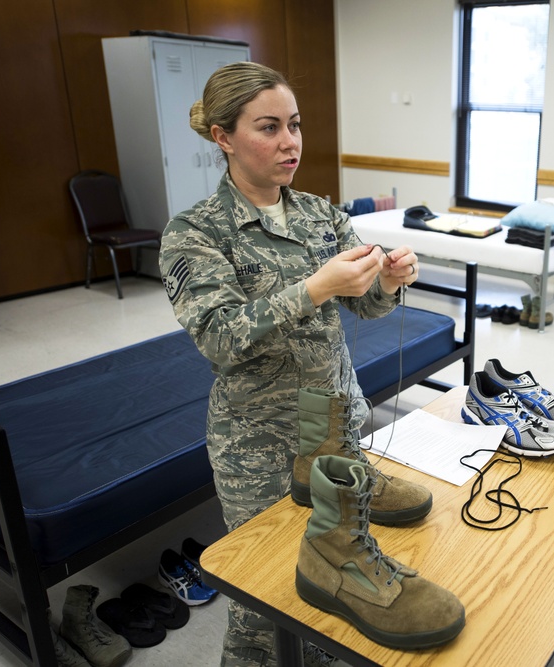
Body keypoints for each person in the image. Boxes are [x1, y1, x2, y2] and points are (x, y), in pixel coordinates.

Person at [159, 61, 420, 666]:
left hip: (334, 423)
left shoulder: (320, 215)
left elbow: (366, 307)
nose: (290, 142)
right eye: (269, 127)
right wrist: (314, 287)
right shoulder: (195, 232)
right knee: (265, 594)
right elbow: (220, 338)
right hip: (259, 440)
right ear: (223, 137)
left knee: (338, 571)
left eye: (295, 126)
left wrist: (389, 281)